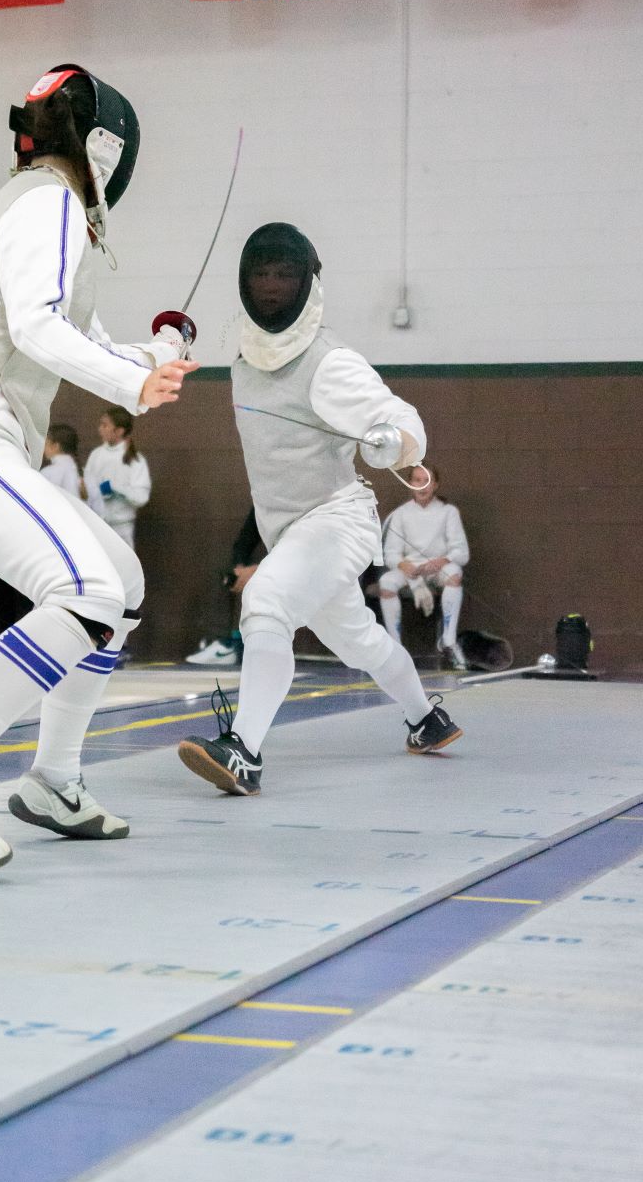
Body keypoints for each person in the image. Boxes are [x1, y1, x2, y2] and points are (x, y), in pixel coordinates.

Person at [0, 62, 196, 872]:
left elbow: (68, 336)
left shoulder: (51, 213)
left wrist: (155, 352)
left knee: (118, 583)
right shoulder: (48, 199)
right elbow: (35, 328)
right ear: (103, 148)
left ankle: (52, 779)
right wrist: (132, 381)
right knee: (84, 591)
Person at [178, 223, 461, 796]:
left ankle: (245, 751)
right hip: (292, 533)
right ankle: (426, 720)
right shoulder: (241, 353)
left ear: (308, 281)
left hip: (339, 518)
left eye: (285, 274)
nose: (273, 286)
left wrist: (399, 448)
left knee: (265, 602)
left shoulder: (329, 362)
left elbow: (402, 419)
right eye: (262, 273)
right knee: (359, 641)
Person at [378, 463, 470, 669]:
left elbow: (461, 552)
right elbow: (391, 553)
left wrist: (442, 561)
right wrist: (404, 565)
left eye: (427, 481)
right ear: (410, 484)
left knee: (455, 574)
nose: (422, 486)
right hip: (410, 571)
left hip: (438, 569)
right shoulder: (400, 514)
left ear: (435, 485)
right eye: (417, 481)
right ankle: (396, 649)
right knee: (386, 582)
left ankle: (448, 641)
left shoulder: (448, 512)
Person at [184, 507, 262, 668]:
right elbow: (244, 542)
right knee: (232, 577)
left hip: (308, 568)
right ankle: (228, 646)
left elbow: (299, 554)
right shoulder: (263, 499)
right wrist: (238, 568)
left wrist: (258, 570)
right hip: (275, 567)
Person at [83, 407, 151, 548]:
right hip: (98, 526)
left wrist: (116, 488)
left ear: (119, 431)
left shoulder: (136, 460)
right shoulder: (97, 455)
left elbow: (141, 497)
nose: (100, 429)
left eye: (105, 425)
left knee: (123, 568)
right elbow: (87, 488)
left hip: (122, 528)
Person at [42, 422, 85, 499]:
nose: (43, 448)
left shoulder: (48, 473)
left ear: (55, 446)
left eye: (46, 444)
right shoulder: (84, 473)